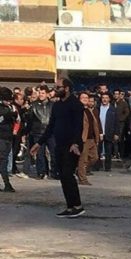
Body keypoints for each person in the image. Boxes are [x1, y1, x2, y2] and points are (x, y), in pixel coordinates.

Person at [30, 78, 85, 218]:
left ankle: (77, 206)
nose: (56, 89)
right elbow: (50, 127)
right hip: (59, 144)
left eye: (58, 87)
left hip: (72, 145)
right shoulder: (57, 105)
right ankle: (70, 206)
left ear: (66, 88)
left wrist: (75, 143)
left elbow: (78, 126)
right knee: (62, 176)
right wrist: (39, 143)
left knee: (68, 174)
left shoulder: (76, 104)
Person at [27, 85, 56, 179]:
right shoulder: (34, 105)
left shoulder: (53, 105)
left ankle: (55, 172)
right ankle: (41, 172)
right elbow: (30, 120)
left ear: (47, 94)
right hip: (38, 132)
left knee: (54, 153)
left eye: (43, 93)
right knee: (40, 154)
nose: (41, 95)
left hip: (51, 132)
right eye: (39, 92)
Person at [77, 92, 103, 185]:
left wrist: (98, 136)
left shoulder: (90, 110)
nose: (85, 99)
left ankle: (80, 170)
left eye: (86, 98)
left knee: (94, 158)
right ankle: (82, 179)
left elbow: (95, 124)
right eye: (83, 97)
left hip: (92, 138)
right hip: (84, 139)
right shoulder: (77, 110)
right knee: (83, 160)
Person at [0, 87, 18, 192]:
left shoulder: (11, 108)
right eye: (7, 99)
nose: (9, 101)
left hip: (8, 137)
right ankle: (7, 183)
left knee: (4, 160)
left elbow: (17, 120)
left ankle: (7, 184)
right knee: (3, 160)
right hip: (1, 137)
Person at [98, 92, 118, 172]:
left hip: (109, 132)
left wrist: (116, 133)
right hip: (99, 132)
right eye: (103, 98)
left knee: (108, 151)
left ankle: (107, 167)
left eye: (106, 98)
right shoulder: (98, 108)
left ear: (109, 99)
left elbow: (117, 122)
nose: (104, 99)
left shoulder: (113, 109)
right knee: (98, 151)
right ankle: (97, 166)